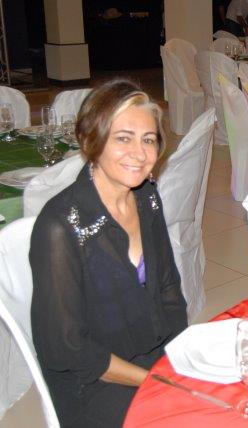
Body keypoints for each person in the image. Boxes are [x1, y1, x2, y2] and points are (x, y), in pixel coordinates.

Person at [30, 79, 188, 427]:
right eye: (123, 138)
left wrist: (180, 360)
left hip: (152, 355)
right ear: (92, 141)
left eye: (148, 139)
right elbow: (69, 349)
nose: (139, 153)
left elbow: (169, 291)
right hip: (93, 382)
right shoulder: (59, 226)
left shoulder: (146, 197)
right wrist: (154, 381)